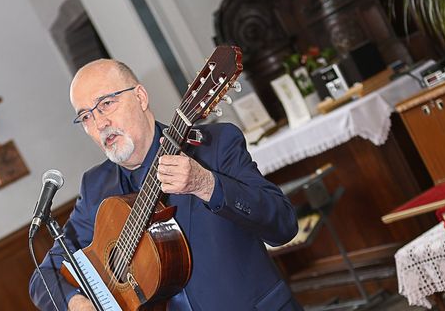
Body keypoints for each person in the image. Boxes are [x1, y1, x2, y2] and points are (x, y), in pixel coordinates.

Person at [29, 59, 303, 311]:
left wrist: (207, 184)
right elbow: (44, 278)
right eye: (86, 117)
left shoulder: (215, 146)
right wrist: (76, 303)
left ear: (140, 97)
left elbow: (284, 225)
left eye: (106, 104)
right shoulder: (96, 187)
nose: (100, 123)